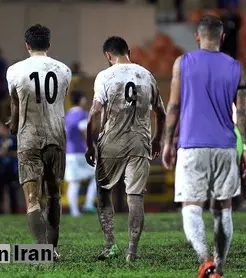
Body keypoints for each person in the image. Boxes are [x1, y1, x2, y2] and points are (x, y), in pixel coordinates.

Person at [162, 15, 246, 278]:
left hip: (192, 146)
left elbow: (174, 105)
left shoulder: (183, 63)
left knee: (191, 206)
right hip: (225, 146)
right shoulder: (236, 66)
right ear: (222, 38)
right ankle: (219, 267)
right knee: (223, 208)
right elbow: (242, 112)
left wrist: (168, 142)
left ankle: (205, 261)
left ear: (197, 36)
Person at [85, 36, 166, 262]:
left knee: (103, 192)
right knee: (136, 196)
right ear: (128, 51)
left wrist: (89, 143)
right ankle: (132, 251)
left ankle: (110, 244)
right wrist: (158, 139)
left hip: (111, 141)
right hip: (140, 141)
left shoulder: (104, 76)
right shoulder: (146, 75)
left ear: (108, 56)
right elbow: (161, 113)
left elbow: (95, 111)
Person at [6, 24, 72, 259]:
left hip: (29, 138)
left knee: (33, 199)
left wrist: (13, 124)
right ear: (49, 45)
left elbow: (16, 103)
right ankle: (52, 249)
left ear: (27, 45)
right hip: (56, 137)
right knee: (54, 195)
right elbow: (58, 101)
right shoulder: (64, 70)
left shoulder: (14, 71)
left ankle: (41, 250)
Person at [65, 90, 97, 217]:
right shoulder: (82, 114)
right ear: (82, 100)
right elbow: (84, 131)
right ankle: (89, 203)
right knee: (98, 175)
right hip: (81, 151)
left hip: (69, 152)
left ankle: (74, 212)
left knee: (74, 182)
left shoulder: (67, 115)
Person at [0, 120, 19, 214]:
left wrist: (6, 153)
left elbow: (18, 153)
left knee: (12, 192)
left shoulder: (13, 139)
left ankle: (13, 211)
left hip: (10, 169)